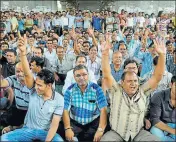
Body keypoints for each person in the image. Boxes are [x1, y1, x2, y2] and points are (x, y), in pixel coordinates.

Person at [100, 36, 166, 141]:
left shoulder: (143, 90)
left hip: (138, 133)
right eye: (129, 81)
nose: (133, 84)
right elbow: (107, 75)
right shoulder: (116, 90)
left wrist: (162, 55)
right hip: (116, 133)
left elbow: (157, 77)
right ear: (122, 82)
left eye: (135, 81)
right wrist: (105, 53)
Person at [1, 34, 64, 141]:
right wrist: (23, 54)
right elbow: (27, 74)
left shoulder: (59, 99)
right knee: (4, 139)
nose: (36, 87)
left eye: (40, 85)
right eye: (36, 84)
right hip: (27, 130)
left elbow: (54, 125)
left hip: (46, 132)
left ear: (49, 85)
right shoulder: (33, 91)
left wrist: (48, 140)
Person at [63, 65, 108, 141]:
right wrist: (67, 128)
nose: (81, 78)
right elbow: (65, 110)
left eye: (84, 74)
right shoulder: (69, 90)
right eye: (78, 75)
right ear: (74, 77)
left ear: (88, 75)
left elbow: (103, 110)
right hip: (75, 124)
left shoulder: (97, 89)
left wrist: (100, 129)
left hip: (93, 124)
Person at [150, 76, 176, 141]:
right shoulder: (158, 96)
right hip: (160, 125)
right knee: (158, 137)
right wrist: (173, 131)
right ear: (171, 85)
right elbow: (155, 120)